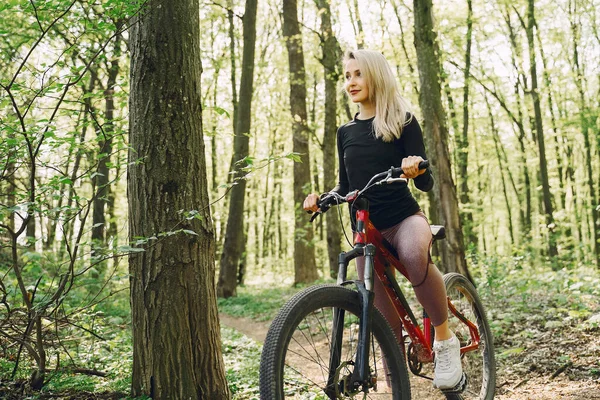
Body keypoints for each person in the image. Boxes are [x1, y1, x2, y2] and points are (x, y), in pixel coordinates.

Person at [303, 49, 463, 390]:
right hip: (364, 229)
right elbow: (346, 186)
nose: (351, 82)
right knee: (376, 309)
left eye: (358, 74)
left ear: (376, 75)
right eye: (347, 76)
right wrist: (321, 199)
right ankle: (396, 379)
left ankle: (446, 342)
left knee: (413, 254)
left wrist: (415, 166)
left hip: (403, 218)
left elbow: (426, 181)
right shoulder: (345, 131)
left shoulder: (402, 120)